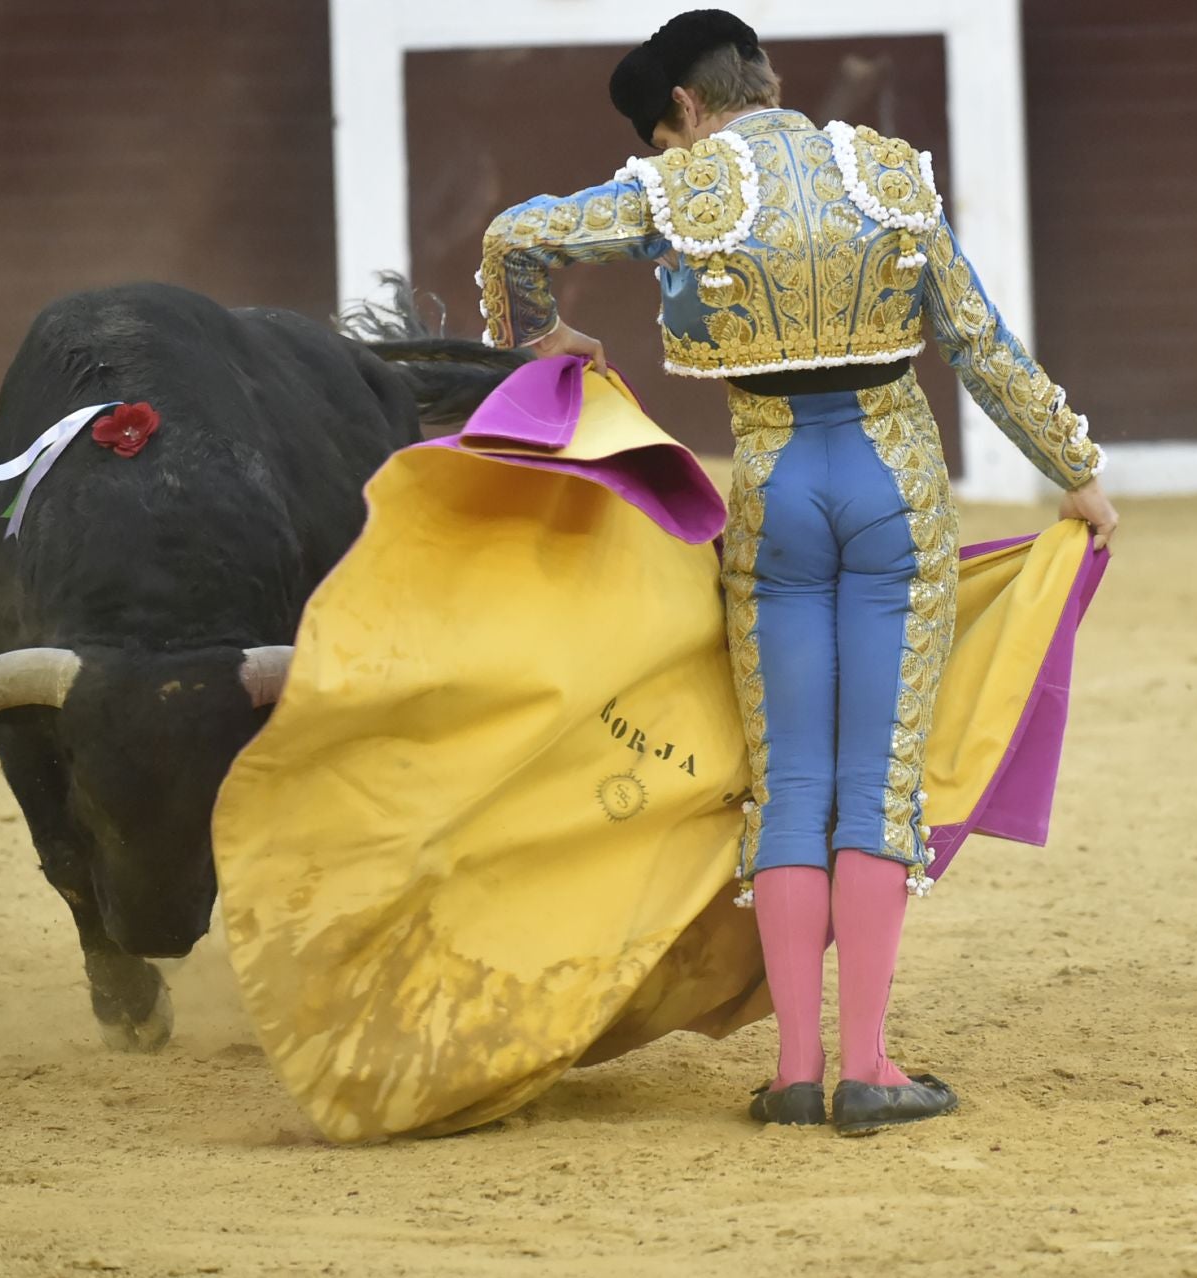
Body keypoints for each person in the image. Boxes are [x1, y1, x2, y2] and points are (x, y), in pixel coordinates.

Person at [477, 9, 1120, 1133]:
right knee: (877, 780)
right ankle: (868, 1069)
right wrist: (1076, 472)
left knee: (792, 784)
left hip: (774, 491)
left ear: (684, 107)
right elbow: (979, 346)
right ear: (764, 79)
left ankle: (793, 1071)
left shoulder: (684, 190)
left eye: (664, 134)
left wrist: (544, 340)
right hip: (893, 489)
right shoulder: (886, 174)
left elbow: (513, 237)